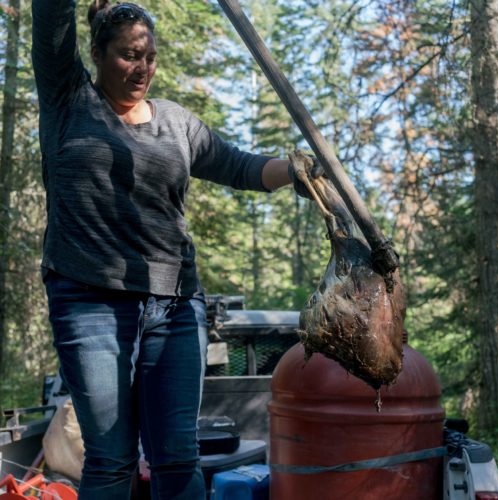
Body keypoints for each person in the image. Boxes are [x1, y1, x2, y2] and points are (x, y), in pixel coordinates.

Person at [31, 1, 312, 499]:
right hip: (89, 303)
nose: (142, 68)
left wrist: (296, 171)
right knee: (112, 460)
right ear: (96, 53)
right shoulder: (67, 99)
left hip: (176, 306)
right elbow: (51, 16)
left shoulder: (177, 123)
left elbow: (241, 167)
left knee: (178, 458)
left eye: (150, 56)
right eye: (129, 55)